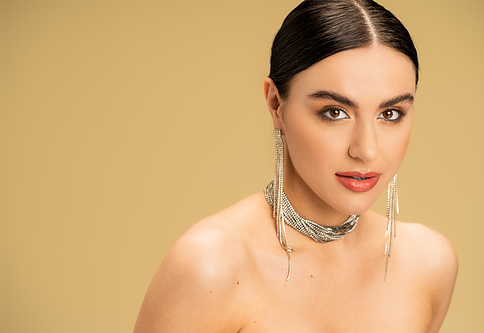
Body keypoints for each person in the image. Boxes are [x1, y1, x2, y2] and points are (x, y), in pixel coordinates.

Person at [133, 0, 458, 331]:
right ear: (276, 104)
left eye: (390, 114)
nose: (367, 150)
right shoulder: (210, 267)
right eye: (334, 112)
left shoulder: (429, 263)